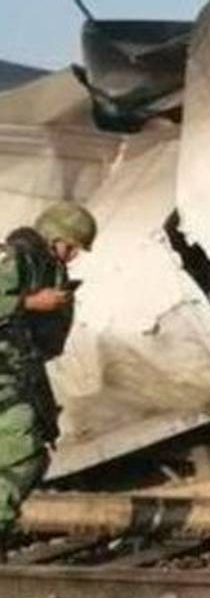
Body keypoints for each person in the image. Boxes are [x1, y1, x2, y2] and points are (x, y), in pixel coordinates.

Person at [0, 202, 96, 539]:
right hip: (5, 373)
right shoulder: (17, 258)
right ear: (52, 236)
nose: (71, 256)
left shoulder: (48, 268)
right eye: (69, 246)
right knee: (23, 450)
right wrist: (30, 302)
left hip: (22, 369)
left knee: (36, 450)